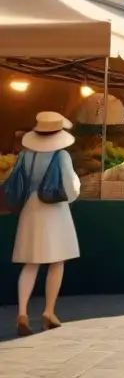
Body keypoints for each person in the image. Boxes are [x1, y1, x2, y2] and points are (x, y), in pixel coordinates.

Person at [8, 112, 81, 336]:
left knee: (30, 263)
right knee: (57, 261)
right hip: (54, 209)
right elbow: (71, 187)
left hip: (30, 208)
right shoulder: (61, 155)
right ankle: (49, 311)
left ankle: (22, 312)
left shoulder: (25, 155)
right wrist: (74, 192)